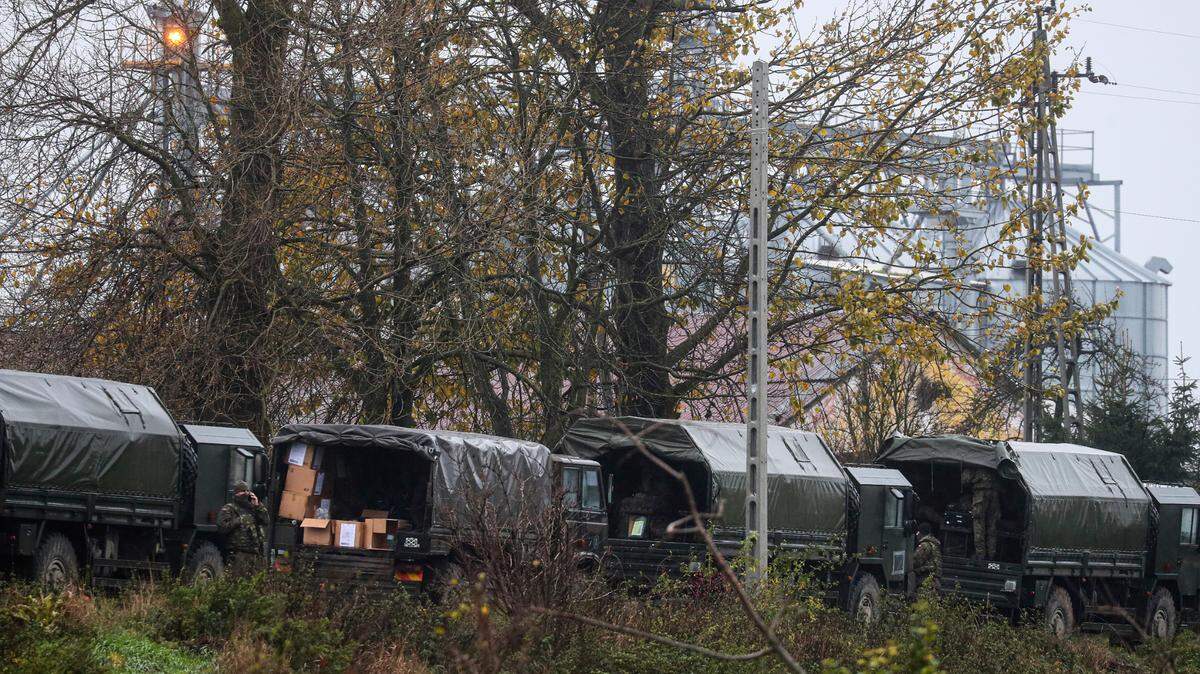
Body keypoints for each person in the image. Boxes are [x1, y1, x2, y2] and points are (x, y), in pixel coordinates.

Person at [218, 481, 268, 576]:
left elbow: (266, 521)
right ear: (236, 493)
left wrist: (258, 505)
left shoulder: (253, 509)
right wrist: (238, 520)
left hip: (255, 554)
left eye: (247, 491)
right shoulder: (229, 509)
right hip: (238, 554)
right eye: (242, 491)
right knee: (237, 583)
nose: (245, 494)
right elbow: (222, 528)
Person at [961, 466, 1001, 559]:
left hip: (980, 495)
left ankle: (980, 555)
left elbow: (965, 479)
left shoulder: (976, 459)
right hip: (994, 494)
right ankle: (992, 554)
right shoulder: (994, 457)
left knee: (979, 525)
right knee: (992, 526)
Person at [912, 521, 942, 594]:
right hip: (934, 581)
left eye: (917, 533)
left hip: (925, 580)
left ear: (920, 533)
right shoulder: (933, 544)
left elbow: (915, 561)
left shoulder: (924, 545)